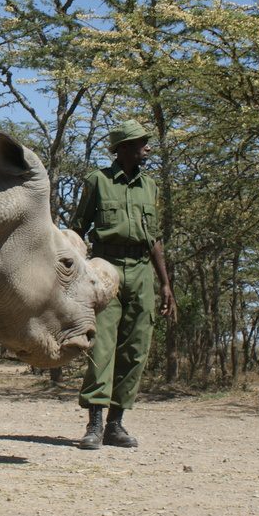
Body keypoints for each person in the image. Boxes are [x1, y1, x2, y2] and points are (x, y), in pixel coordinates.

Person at [69, 119, 177, 449]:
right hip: (105, 268)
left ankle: (115, 424)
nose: (148, 148)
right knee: (101, 345)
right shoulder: (97, 181)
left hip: (142, 271)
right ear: (125, 148)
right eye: (142, 142)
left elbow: (154, 239)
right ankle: (94, 424)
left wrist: (165, 284)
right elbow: (77, 230)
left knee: (136, 348)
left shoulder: (150, 186)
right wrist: (75, 277)